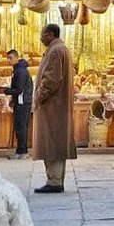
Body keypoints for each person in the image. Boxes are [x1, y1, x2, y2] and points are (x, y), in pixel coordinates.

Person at [33, 24, 76, 195]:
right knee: (56, 143)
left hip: (52, 107)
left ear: (50, 34)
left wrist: (38, 96)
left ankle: (54, 181)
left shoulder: (55, 51)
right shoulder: (61, 49)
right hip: (57, 106)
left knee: (51, 143)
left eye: (42, 34)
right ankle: (56, 179)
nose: (41, 38)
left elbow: (51, 80)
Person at [6, 48, 33, 158]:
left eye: (10, 58)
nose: (8, 60)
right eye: (7, 58)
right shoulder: (19, 70)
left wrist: (6, 91)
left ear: (16, 58)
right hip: (22, 101)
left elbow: (19, 90)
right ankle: (22, 151)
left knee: (21, 126)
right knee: (21, 126)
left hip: (22, 102)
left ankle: (21, 151)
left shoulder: (20, 71)